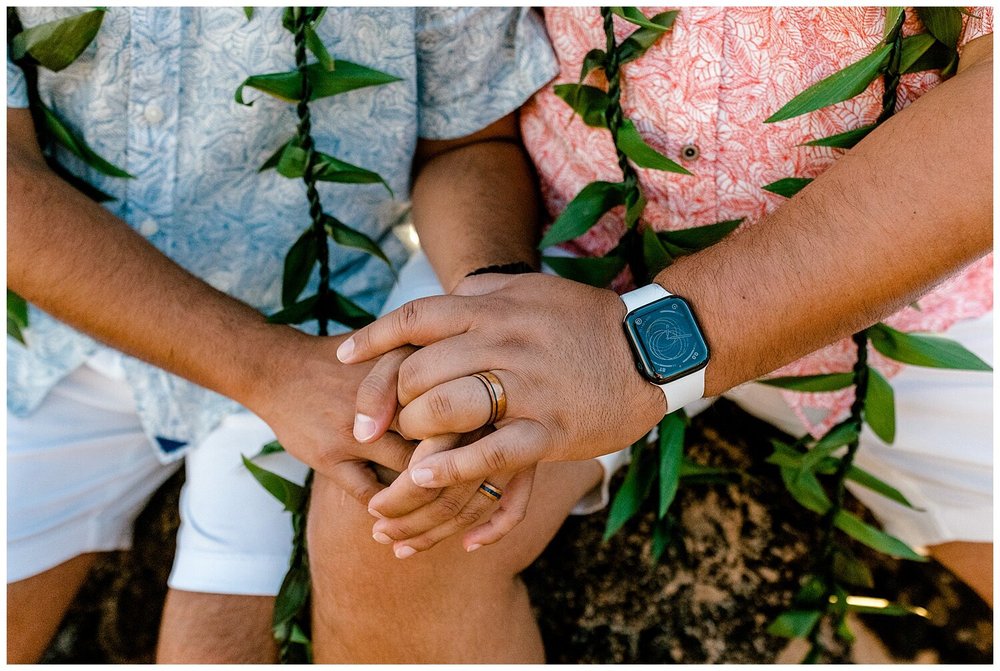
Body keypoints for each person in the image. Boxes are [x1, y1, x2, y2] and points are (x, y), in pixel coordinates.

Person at [334, 4, 994, 616]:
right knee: (387, 530)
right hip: (567, 250)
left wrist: (639, 353)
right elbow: (467, 134)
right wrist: (494, 302)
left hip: (909, 288)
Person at [7, 6, 582, 663]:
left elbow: (468, 141)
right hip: (56, 342)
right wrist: (268, 370)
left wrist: (486, 321)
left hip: (328, 334)